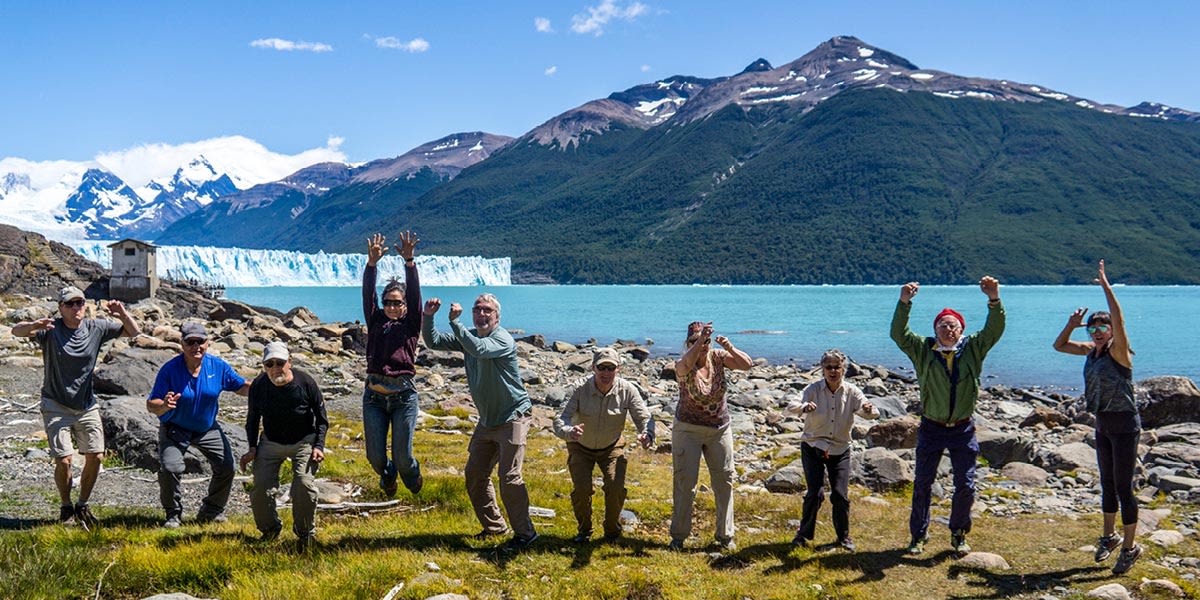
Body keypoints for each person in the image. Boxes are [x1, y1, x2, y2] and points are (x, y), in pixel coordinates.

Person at [891, 276, 1004, 557]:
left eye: (953, 325)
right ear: (936, 330)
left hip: (963, 429)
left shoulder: (973, 348)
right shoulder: (923, 349)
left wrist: (994, 300)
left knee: (965, 484)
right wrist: (904, 302)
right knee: (923, 483)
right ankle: (918, 536)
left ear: (961, 329)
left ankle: (959, 533)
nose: (948, 329)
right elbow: (899, 334)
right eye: (943, 325)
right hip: (931, 426)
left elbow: (994, 330)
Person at [11, 286, 139, 530]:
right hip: (55, 403)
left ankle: (83, 504)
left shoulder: (96, 327)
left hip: (86, 404)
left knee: (96, 455)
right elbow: (15, 331)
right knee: (65, 460)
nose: (75, 307)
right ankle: (65, 505)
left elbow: (134, 332)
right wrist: (33, 325)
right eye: (69, 304)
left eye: (79, 302)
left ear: (85, 305)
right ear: (61, 308)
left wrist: (122, 313)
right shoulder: (50, 329)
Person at [422, 293, 538, 550]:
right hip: (487, 421)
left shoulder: (502, 339)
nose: (481, 314)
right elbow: (434, 342)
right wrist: (428, 316)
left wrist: (456, 323)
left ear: (497, 316)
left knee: (509, 477)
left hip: (513, 416)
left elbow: (480, 350)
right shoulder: (470, 336)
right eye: (477, 310)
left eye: (487, 310)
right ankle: (494, 527)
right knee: (475, 474)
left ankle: (525, 534)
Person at [1052, 260, 1143, 574]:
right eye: (1094, 329)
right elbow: (1059, 345)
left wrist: (1106, 286)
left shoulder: (1120, 352)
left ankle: (1131, 548)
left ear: (1112, 331)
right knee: (1106, 485)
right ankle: (1109, 536)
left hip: (1125, 426)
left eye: (1103, 328)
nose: (1099, 332)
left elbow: (1119, 318)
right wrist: (1071, 323)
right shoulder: (1090, 351)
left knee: (1123, 488)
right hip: (1102, 424)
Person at [147, 322, 249, 528]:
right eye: (190, 342)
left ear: (207, 343)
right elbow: (151, 405)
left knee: (226, 467)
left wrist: (269, 386)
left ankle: (211, 511)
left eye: (200, 341)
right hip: (175, 428)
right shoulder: (170, 370)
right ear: (181, 344)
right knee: (170, 467)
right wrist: (165, 405)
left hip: (206, 428)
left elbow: (241, 387)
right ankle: (173, 514)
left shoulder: (217, 366)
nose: (196, 346)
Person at [553, 347, 652, 543]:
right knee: (581, 490)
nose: (606, 373)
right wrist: (568, 432)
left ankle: (612, 531)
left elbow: (644, 417)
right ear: (593, 368)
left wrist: (647, 434)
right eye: (602, 368)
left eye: (611, 368)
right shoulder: (579, 389)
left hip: (612, 447)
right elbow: (560, 419)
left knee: (615, 487)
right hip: (580, 445)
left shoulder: (627, 390)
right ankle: (584, 531)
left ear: (618, 369)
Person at [669, 321, 753, 552]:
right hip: (688, 429)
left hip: (719, 429)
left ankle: (725, 535)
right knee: (686, 483)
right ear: (687, 344)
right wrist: (699, 342)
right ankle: (678, 536)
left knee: (725, 481)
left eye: (705, 341)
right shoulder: (682, 364)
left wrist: (729, 346)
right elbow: (687, 363)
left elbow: (747, 365)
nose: (702, 345)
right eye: (694, 341)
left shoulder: (718, 357)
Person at [785, 349, 879, 551]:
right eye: (829, 367)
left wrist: (869, 410)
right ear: (822, 369)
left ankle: (843, 537)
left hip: (840, 449)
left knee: (840, 495)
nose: (833, 371)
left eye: (837, 367)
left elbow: (869, 411)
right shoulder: (813, 389)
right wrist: (803, 407)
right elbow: (790, 405)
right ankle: (803, 535)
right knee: (814, 493)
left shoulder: (852, 391)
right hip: (813, 446)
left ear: (844, 369)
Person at [239, 342, 329, 551]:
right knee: (261, 488)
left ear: (290, 362)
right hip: (271, 442)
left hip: (304, 441)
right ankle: (270, 531)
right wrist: (252, 448)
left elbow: (322, 419)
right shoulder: (259, 386)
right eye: (269, 364)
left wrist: (319, 446)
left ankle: (305, 534)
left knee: (304, 485)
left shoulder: (305, 382)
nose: (275, 368)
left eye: (279, 363)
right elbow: (252, 419)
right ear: (264, 366)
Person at [362, 231, 424, 498]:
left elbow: (416, 295)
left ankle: (412, 478)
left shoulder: (411, 325)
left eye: (397, 303)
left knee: (403, 457)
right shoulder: (375, 320)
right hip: (374, 396)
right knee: (375, 457)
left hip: (403, 396)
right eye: (387, 302)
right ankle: (388, 477)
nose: (391, 306)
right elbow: (367, 295)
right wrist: (371, 265)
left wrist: (409, 263)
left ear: (405, 305)